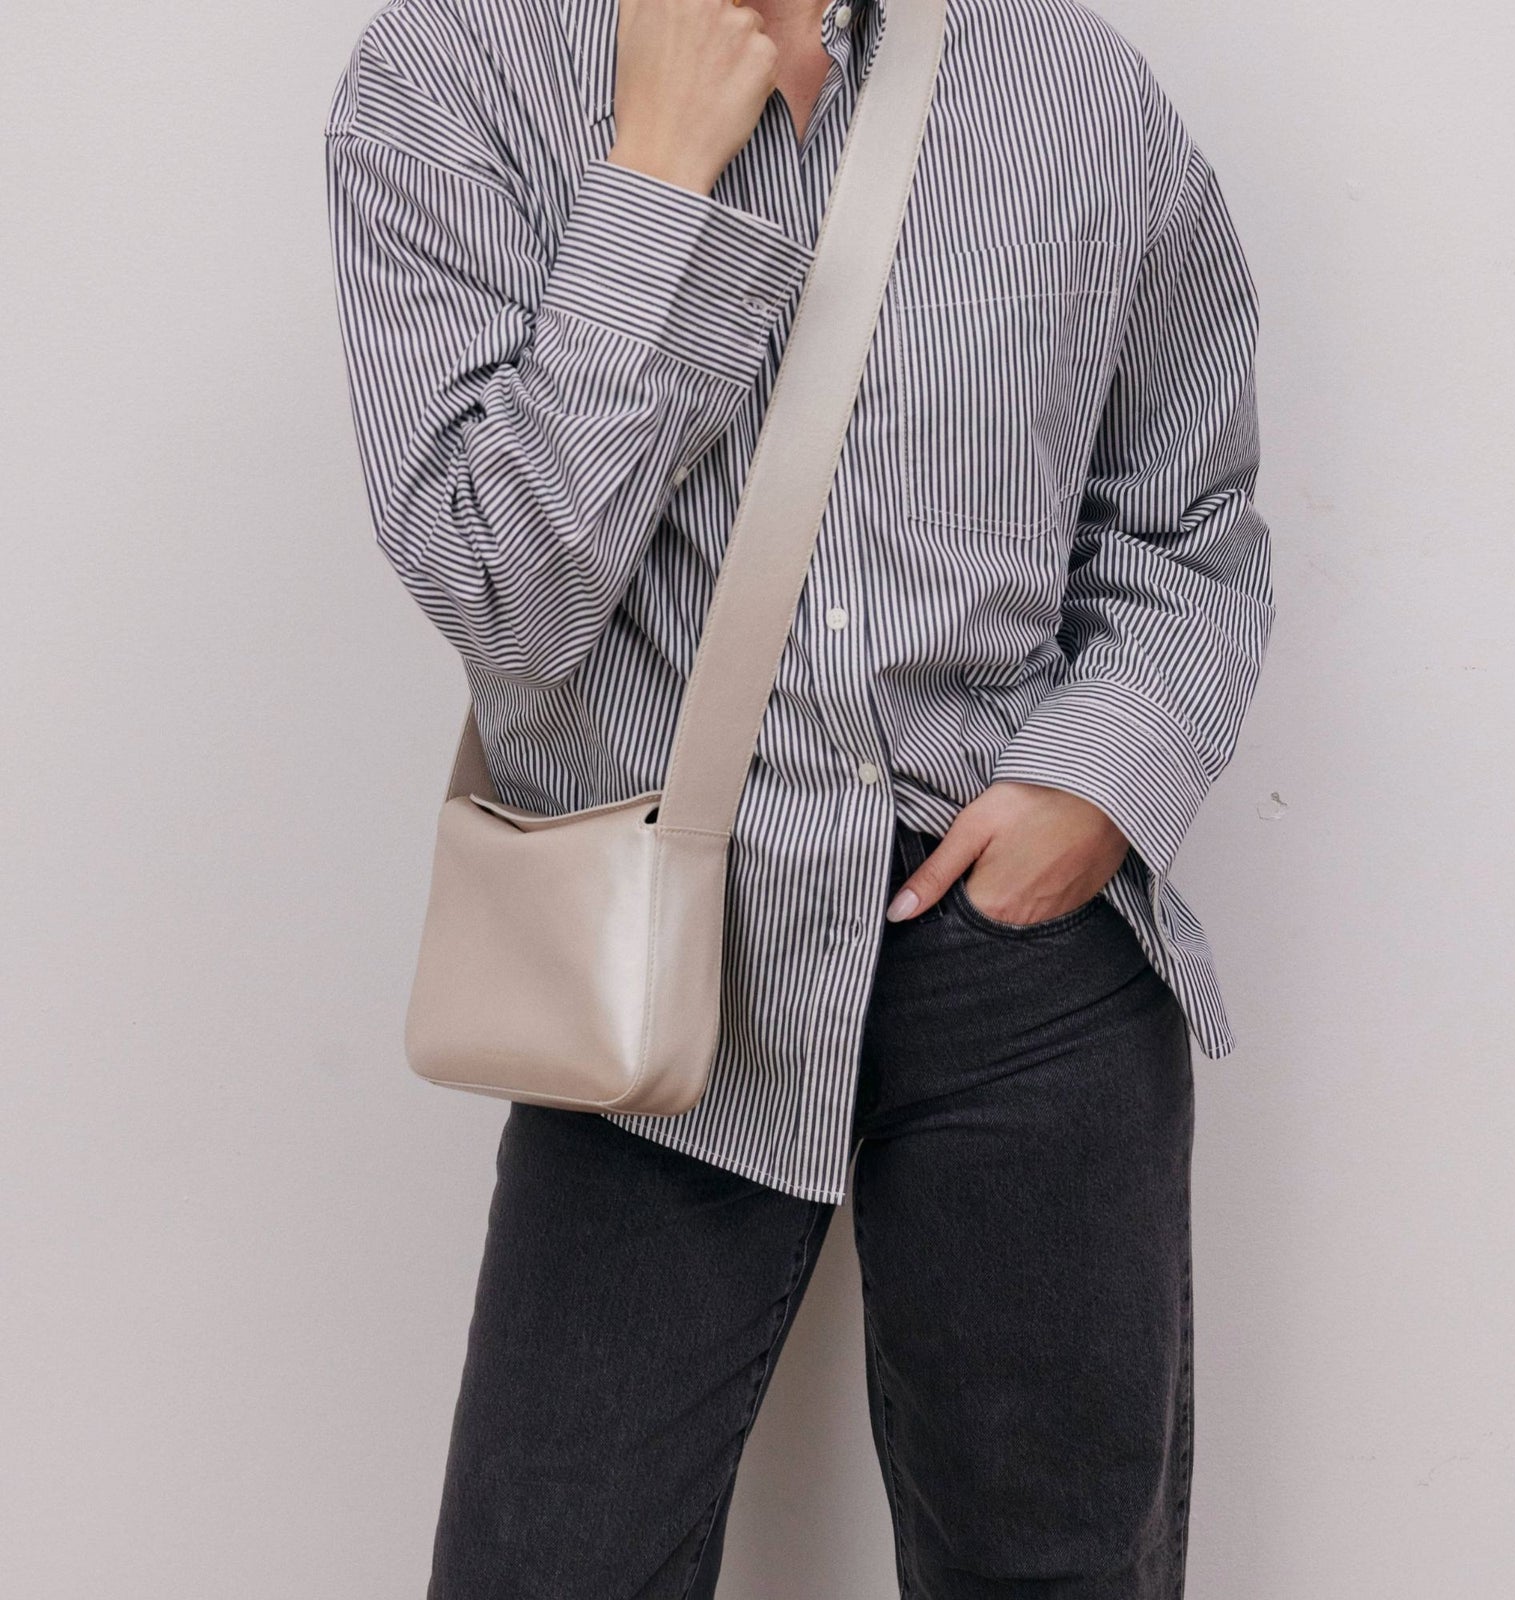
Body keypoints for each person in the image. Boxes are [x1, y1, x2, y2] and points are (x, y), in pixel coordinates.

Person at [323, 0, 1274, 1590]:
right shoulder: (451, 76)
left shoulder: (1074, 92)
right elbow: (502, 590)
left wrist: (1094, 785)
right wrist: (658, 181)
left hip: (1013, 958)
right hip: (651, 958)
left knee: (1056, 1567)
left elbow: (1190, 525)